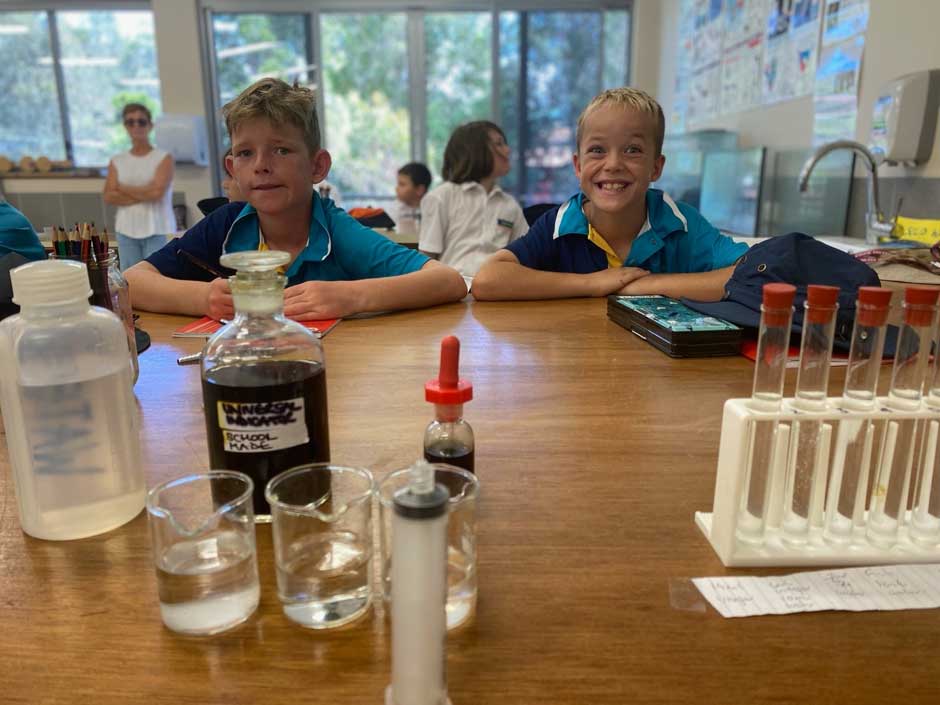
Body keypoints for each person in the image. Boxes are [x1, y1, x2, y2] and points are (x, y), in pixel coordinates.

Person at [125, 78, 466, 321]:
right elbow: (132, 281)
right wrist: (201, 297)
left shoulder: (335, 230)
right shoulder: (226, 225)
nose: (261, 166)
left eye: (281, 150)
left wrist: (352, 296)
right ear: (233, 169)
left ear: (317, 166)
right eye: (245, 153)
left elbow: (447, 281)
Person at [471, 87, 748, 302]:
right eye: (597, 150)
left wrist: (645, 286)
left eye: (632, 150)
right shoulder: (559, 224)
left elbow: (756, 275)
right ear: (578, 167)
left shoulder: (681, 224)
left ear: (656, 167)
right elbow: (487, 280)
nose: (613, 164)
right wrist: (594, 283)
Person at [418, 121, 526, 277]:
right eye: (499, 144)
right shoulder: (441, 197)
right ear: (475, 150)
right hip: (452, 287)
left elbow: (523, 255)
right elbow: (427, 258)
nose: (508, 151)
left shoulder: (510, 204)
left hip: (497, 290)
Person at [103, 103, 176, 270]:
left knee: (159, 277)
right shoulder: (117, 161)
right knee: (130, 279)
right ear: (125, 126)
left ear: (150, 125)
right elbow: (108, 195)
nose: (136, 126)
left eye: (141, 122)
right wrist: (146, 190)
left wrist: (122, 188)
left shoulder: (163, 158)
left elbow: (157, 193)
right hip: (126, 229)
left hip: (158, 228)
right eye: (130, 122)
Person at [393, 162, 431, 236]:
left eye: (402, 184)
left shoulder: (432, 208)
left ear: (420, 190)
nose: (396, 188)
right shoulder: (394, 209)